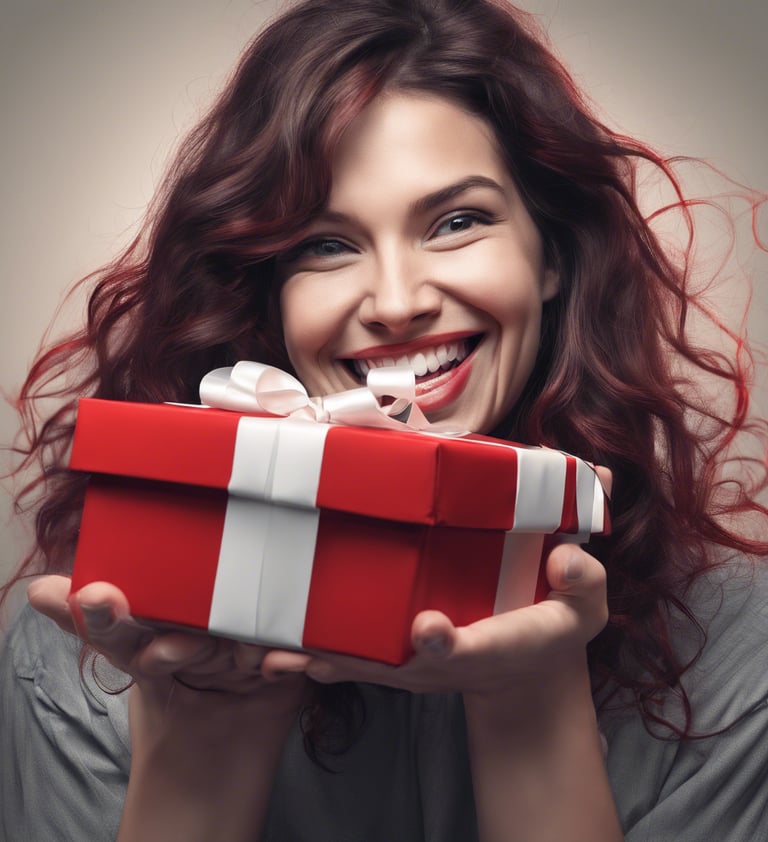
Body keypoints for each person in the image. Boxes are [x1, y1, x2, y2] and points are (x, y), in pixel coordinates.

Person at [2, 0, 767, 839]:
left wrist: (529, 706)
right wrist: (203, 739)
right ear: (264, 290)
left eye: (458, 222)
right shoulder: (93, 646)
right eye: (325, 244)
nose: (398, 304)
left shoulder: (734, 646)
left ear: (550, 253)